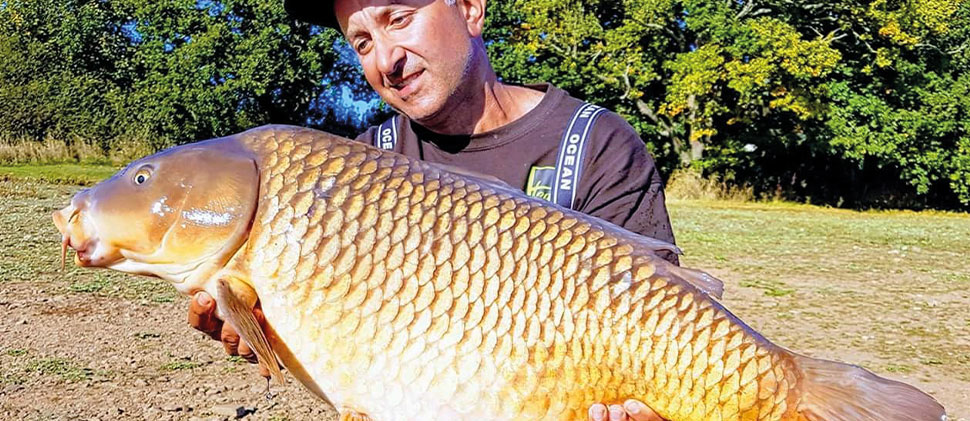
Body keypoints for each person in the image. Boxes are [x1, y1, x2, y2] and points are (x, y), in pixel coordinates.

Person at [189, 0, 677, 419]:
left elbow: (667, 327)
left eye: (398, 18)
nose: (386, 58)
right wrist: (264, 326)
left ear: (469, 8)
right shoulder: (355, 173)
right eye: (361, 43)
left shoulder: (594, 144)